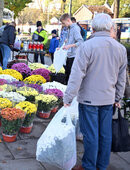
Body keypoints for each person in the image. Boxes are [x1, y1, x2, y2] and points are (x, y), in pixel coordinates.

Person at [63, 13, 127, 170]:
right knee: (105, 134)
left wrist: (68, 97)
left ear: (92, 27)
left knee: (91, 135)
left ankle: (89, 166)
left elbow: (77, 75)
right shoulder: (120, 48)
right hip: (108, 99)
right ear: (110, 28)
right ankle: (102, 165)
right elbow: (122, 78)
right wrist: (118, 97)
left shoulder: (86, 46)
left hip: (89, 100)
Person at [60, 14, 83, 84]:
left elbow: (81, 42)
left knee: (70, 77)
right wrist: (63, 46)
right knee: (67, 74)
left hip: (74, 56)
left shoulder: (75, 28)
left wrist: (69, 45)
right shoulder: (69, 29)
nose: (63, 25)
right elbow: (71, 41)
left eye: (64, 23)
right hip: (69, 55)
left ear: (68, 20)